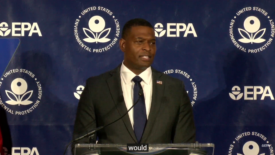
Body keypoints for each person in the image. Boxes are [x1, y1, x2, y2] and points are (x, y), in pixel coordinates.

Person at [73, 18, 196, 147]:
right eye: (140, 42)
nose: (147, 48)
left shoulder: (174, 89)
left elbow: (185, 146)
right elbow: (83, 145)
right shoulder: (97, 87)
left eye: (152, 43)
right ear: (123, 45)